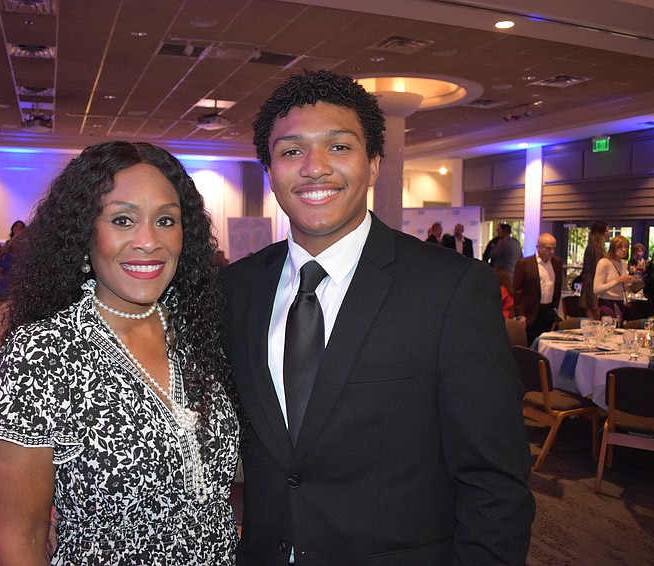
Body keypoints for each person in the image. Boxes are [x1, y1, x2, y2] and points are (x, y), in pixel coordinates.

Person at [222, 70, 534, 564]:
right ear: (270, 171)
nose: (314, 168)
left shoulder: (450, 288)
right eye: (291, 151)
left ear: (372, 166)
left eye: (339, 147)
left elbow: (495, 481)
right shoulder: (236, 289)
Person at [0, 141, 239, 565]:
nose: (148, 241)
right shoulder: (42, 353)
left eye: (166, 220)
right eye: (122, 220)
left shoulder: (202, 330)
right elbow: (21, 541)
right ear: (82, 232)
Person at [514, 233, 563, 345]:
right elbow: (517, 291)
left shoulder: (557, 263)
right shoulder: (524, 264)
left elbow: (557, 287)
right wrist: (520, 314)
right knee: (531, 343)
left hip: (549, 311)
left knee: (546, 344)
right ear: (538, 247)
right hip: (530, 312)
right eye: (548, 248)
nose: (551, 252)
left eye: (554, 248)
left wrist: (555, 308)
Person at [593, 235, 635, 322]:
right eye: (620, 247)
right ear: (613, 248)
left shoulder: (623, 263)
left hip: (621, 301)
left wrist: (631, 283)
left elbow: (623, 287)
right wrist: (616, 280)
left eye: (626, 247)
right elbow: (596, 289)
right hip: (606, 302)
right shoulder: (604, 262)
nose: (624, 250)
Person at [579, 221, 609, 319]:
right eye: (606, 231)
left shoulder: (594, 247)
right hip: (592, 283)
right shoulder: (595, 248)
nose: (608, 233)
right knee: (593, 311)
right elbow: (598, 267)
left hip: (591, 282)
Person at [0, 219, 25, 302]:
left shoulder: (25, 245)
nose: (18, 228)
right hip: (2, 276)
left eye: (21, 227)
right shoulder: (6, 245)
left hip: (15, 277)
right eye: (16, 226)